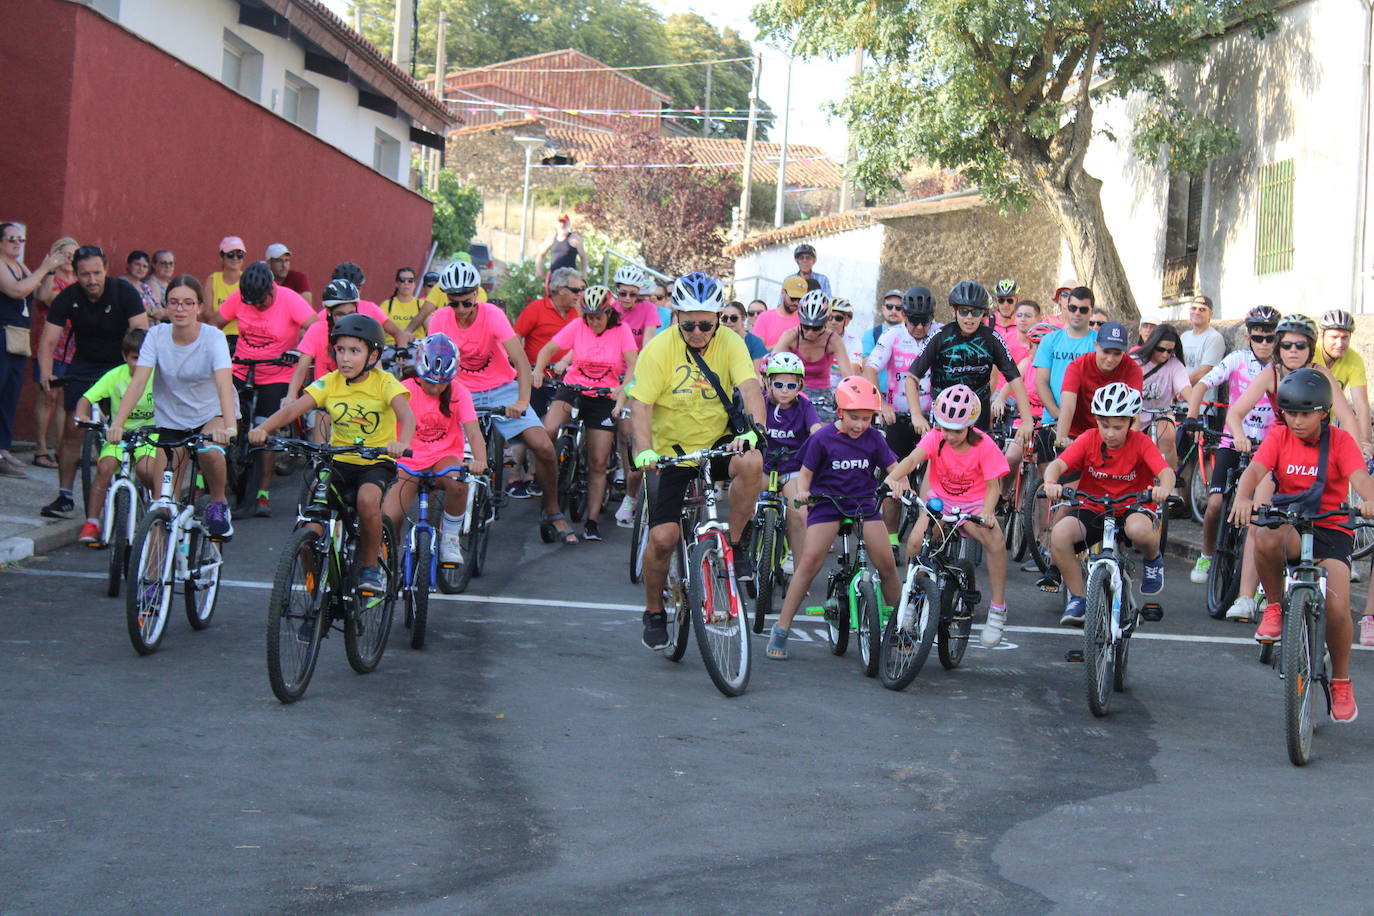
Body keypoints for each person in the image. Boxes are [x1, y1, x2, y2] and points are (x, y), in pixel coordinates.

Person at [1227, 368, 1374, 722]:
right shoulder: (1278, 436)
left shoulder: (1339, 442)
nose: (1296, 420)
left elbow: (1360, 479)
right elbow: (1255, 470)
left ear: (1324, 413)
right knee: (1264, 532)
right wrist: (1244, 497)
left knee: (1339, 609)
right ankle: (1275, 606)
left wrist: (1368, 501)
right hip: (1291, 522)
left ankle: (1340, 681)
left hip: (1332, 528)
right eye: (1290, 412)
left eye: (1305, 413)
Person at [628, 272, 765, 651]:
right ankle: (654, 612)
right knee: (663, 537)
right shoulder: (660, 348)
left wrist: (753, 430)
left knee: (752, 461)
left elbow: (750, 389)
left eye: (707, 323)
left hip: (717, 443)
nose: (699, 331)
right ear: (676, 317)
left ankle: (736, 545)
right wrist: (644, 451)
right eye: (689, 324)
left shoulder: (732, 342)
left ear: (719, 318)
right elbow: (640, 405)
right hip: (669, 451)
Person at [250, 314, 414, 598]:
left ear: (373, 355)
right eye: (340, 350)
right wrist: (262, 428)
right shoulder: (330, 383)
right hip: (338, 462)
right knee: (307, 530)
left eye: (355, 351)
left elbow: (407, 416)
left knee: (367, 500)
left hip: (375, 462)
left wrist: (401, 443)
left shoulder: (385, 383)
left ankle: (370, 568)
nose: (346, 359)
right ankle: (317, 598)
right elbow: (292, 410)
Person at [430, 259, 575, 544]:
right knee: (442, 455)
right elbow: (434, 365)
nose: (460, 310)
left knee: (544, 446)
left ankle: (552, 509)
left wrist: (522, 400)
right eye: (454, 303)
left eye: (466, 303)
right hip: (460, 391)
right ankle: (442, 523)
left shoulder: (492, 315)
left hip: (501, 388)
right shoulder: (439, 320)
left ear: (476, 295)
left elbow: (520, 362)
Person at [765, 376, 900, 660]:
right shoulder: (822, 438)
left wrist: (901, 486)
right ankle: (782, 627)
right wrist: (803, 492)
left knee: (887, 563)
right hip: (826, 503)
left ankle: (900, 628)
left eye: (866, 418)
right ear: (840, 412)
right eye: (854, 417)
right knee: (810, 561)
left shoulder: (874, 438)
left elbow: (894, 467)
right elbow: (805, 474)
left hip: (863, 502)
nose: (860, 425)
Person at [107, 275, 237, 539]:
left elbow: (224, 383)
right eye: (174, 303)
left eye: (188, 303)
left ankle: (218, 503)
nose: (180, 309)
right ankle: (154, 577)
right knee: (163, 506)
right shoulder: (156, 335)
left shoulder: (213, 338)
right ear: (166, 306)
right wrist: (118, 422)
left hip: (211, 413)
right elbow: (138, 381)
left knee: (209, 451)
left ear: (199, 306)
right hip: (171, 420)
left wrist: (231, 426)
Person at [885, 384, 1012, 647]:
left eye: (956, 430)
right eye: (944, 427)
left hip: (974, 504)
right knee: (915, 543)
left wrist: (988, 512)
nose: (949, 435)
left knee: (996, 541)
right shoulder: (935, 437)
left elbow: (993, 488)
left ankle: (998, 609)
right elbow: (910, 461)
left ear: (970, 426)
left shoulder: (985, 445)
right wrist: (892, 479)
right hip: (941, 503)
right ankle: (913, 599)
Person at [1042, 383, 1174, 625]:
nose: (1110, 433)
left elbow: (1165, 471)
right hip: (1094, 506)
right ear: (1096, 420)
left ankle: (1153, 559)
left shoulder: (1141, 443)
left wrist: (1164, 488)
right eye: (1104, 425)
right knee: (1059, 535)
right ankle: (1079, 598)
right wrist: (1051, 481)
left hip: (1131, 507)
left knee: (1138, 530)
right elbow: (1058, 465)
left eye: (1118, 426)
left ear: (1131, 422)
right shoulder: (1088, 439)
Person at [38, 245, 149, 517]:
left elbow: (142, 333)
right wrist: (45, 373)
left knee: (124, 426)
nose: (91, 280)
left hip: (121, 364)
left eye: (97, 273)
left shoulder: (123, 292)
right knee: (73, 429)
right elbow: (48, 341)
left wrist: (138, 369)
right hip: (84, 364)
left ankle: (128, 482)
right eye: (85, 274)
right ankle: (65, 496)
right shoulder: (69, 296)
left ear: (106, 270)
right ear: (76, 274)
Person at [209, 260, 319, 517]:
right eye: (252, 302)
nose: (256, 306)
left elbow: (315, 325)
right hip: (242, 366)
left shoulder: (290, 299)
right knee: (227, 423)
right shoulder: (241, 298)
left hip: (277, 372)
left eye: (261, 301)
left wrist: (299, 349)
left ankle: (263, 494)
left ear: (272, 289)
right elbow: (215, 324)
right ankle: (225, 480)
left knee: (264, 428)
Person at [1183, 305, 1280, 594]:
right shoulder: (1237, 359)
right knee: (1214, 505)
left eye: (1270, 338)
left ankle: (1262, 575)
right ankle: (1206, 555)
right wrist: (1193, 416)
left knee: (1266, 511)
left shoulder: (1282, 367)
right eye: (1258, 337)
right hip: (1233, 441)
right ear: (1248, 336)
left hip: (1268, 446)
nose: (1264, 343)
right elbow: (1202, 384)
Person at [532, 286, 639, 541]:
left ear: (609, 314)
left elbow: (634, 363)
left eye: (598, 316)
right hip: (573, 387)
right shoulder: (578, 326)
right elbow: (547, 349)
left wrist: (622, 389)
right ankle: (549, 475)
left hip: (604, 395)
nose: (593, 321)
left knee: (598, 461)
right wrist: (538, 370)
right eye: (589, 316)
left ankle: (591, 520)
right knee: (547, 429)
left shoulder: (621, 331)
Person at [381, 333, 487, 566]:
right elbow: (387, 423)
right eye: (429, 382)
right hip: (408, 458)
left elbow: (473, 430)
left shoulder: (459, 392)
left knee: (460, 483)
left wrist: (480, 460)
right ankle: (385, 561)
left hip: (443, 455)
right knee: (390, 517)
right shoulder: (404, 389)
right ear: (418, 371)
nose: (435, 389)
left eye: (442, 384)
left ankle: (450, 537)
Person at [906, 282, 1035, 445]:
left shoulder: (992, 338)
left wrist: (1027, 420)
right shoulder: (940, 336)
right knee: (935, 463)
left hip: (977, 415)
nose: (969, 317)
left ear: (983, 313)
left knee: (979, 466)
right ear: (954, 311)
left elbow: (1015, 378)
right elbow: (912, 377)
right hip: (943, 414)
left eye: (975, 312)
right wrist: (916, 415)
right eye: (964, 311)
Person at [863, 285, 942, 539]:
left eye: (925, 322)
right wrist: (881, 404)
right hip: (898, 414)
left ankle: (927, 535)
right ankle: (892, 538)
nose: (919, 328)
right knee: (893, 478)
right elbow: (870, 368)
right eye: (914, 321)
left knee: (936, 482)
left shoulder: (940, 333)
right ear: (904, 316)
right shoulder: (892, 335)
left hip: (933, 418)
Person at [75, 328, 158, 544]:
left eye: (144, 358)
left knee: (146, 469)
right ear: (124, 357)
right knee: (105, 467)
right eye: (134, 358)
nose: (139, 363)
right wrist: (82, 414)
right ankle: (92, 522)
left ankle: (156, 509)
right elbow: (86, 398)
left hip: (149, 437)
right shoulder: (115, 376)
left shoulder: (159, 378)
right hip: (118, 435)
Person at [1, 224, 65, 476]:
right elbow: (17, 290)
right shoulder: (2, 266)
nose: (17, 243)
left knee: (9, 395)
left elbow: (39, 292)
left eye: (21, 239)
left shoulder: (21, 266)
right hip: (3, 332)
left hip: (18, 336)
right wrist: (44, 268)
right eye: (11, 239)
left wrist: (50, 271)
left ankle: (3, 449)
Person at [759, 352, 824, 571]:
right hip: (766, 467)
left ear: (800, 385)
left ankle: (799, 570)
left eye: (791, 385)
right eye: (778, 384)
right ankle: (751, 544)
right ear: (768, 382)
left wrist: (820, 440)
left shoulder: (805, 407)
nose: (784, 390)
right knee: (745, 498)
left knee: (799, 513)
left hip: (793, 468)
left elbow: (816, 430)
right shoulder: (760, 402)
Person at [1053, 321, 1145, 446]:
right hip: (1077, 435)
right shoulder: (1078, 366)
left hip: (1114, 436)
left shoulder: (1132, 369)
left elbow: (1134, 416)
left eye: (1117, 353)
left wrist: (1130, 448)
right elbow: (1067, 407)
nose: (1110, 359)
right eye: (1106, 351)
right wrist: (1061, 439)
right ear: (1096, 345)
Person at [31, 237, 78, 470]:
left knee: (63, 400)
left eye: (73, 254)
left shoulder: (79, 281)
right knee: (47, 396)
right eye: (65, 254)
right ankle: (40, 448)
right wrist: (49, 268)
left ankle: (60, 449)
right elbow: (43, 296)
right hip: (52, 346)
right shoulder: (52, 279)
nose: (69, 259)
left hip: (73, 347)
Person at [770, 291, 853, 420]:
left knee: (822, 433)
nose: (810, 333)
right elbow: (770, 366)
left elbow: (848, 376)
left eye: (816, 328)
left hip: (821, 395)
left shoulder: (833, 340)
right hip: (792, 391)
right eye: (806, 326)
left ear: (826, 322)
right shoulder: (791, 336)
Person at [1033, 285, 1098, 427]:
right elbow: (1041, 382)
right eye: (1073, 308)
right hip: (1052, 421)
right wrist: (1059, 417)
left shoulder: (1099, 344)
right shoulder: (1050, 340)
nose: (1077, 313)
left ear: (1091, 312)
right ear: (1067, 307)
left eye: (1083, 309)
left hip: (1088, 424)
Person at [1131, 323, 1190, 471]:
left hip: (1161, 413)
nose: (1165, 355)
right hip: (1134, 413)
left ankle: (1169, 480)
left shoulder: (1174, 364)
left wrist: (1194, 410)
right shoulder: (1134, 361)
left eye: (1170, 351)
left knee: (1167, 438)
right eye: (1161, 349)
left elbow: (1185, 388)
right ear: (1152, 344)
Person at [1316, 309, 1372, 448]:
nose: (1340, 343)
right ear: (1322, 336)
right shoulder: (1310, 353)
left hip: (1328, 427)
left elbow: (1361, 404)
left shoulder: (1354, 359)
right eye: (1334, 337)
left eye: (1345, 337)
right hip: (1303, 426)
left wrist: (1366, 442)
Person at [205, 236, 246, 353]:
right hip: (218, 336)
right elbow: (206, 312)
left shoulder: (247, 280)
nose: (235, 258)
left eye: (240, 255)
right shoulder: (212, 280)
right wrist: (229, 314)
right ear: (221, 256)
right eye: (230, 254)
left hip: (243, 338)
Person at [1180, 294, 1226, 395]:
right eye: (1194, 308)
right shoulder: (1184, 337)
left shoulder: (1214, 338)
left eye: (1202, 310)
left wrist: (1179, 388)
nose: (1196, 312)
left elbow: (1203, 372)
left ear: (1210, 314)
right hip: (1180, 400)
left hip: (1202, 403)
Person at [609, 265, 661, 350]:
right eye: (623, 293)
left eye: (633, 294)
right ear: (617, 291)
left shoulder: (649, 309)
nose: (627, 298)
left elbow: (647, 344)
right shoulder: (612, 307)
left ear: (639, 293)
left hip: (638, 360)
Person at [753, 275, 807, 347]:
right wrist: (783, 345)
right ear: (782, 292)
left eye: (801, 299)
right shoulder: (765, 317)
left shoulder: (805, 320)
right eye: (793, 298)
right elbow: (757, 352)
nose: (796, 303)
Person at [378, 267, 425, 346]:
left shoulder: (422, 305)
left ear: (414, 284)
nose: (406, 283)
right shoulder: (386, 305)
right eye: (402, 280)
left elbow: (431, 328)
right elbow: (377, 328)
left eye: (410, 280)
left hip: (416, 348)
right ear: (397, 283)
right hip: (391, 348)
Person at [123, 250, 163, 321]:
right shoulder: (122, 284)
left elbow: (159, 309)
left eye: (145, 266)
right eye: (137, 264)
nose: (141, 269)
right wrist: (153, 313)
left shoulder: (145, 287)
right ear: (128, 265)